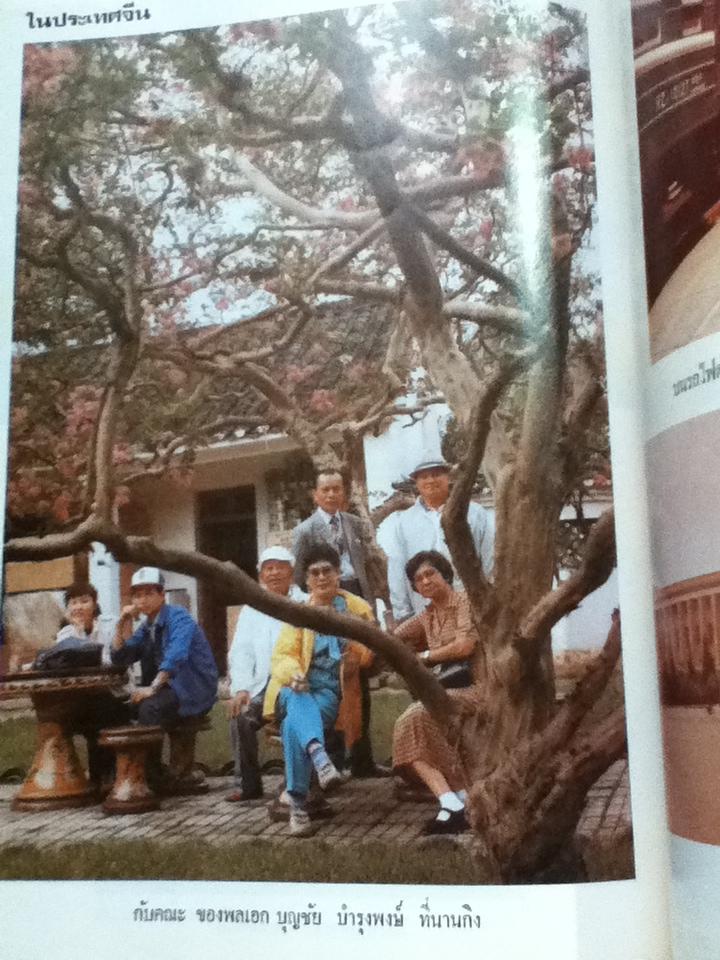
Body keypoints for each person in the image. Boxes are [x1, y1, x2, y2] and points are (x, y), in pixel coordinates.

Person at [264, 544, 374, 837]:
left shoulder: (356, 608)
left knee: (292, 726)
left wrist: (355, 654)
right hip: (293, 686)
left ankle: (299, 800)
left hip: (329, 692)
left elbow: (370, 648)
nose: (322, 577)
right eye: (315, 573)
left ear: (339, 574)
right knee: (296, 697)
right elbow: (282, 655)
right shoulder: (299, 612)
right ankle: (318, 757)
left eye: (328, 570)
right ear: (307, 580)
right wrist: (294, 674)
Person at [293, 471, 388, 779]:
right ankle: (332, 758)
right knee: (330, 678)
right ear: (316, 495)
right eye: (326, 489)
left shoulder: (356, 524)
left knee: (359, 681)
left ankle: (363, 759)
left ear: (344, 493)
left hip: (355, 602)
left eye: (337, 489)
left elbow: (369, 567)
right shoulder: (305, 530)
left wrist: (376, 604)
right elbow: (299, 574)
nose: (332, 494)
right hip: (323, 604)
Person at [392, 550, 485, 835]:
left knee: (413, 718)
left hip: (478, 689)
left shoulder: (465, 602)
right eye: (418, 579)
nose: (425, 580)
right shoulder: (427, 616)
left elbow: (464, 647)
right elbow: (394, 637)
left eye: (430, 573)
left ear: (445, 574)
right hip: (446, 692)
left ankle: (453, 800)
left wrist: (426, 656)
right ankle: (454, 799)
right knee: (412, 723)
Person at [226, 546, 307, 803]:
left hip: (295, 686)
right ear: (260, 574)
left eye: (279, 567)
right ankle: (248, 784)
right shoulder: (252, 609)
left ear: (291, 572)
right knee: (241, 715)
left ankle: (298, 782)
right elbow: (241, 652)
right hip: (262, 687)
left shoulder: (305, 604)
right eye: (268, 568)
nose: (273, 573)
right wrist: (241, 688)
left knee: (294, 718)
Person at [384, 457, 495, 621]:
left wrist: (484, 598)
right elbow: (397, 568)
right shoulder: (404, 522)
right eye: (424, 477)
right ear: (416, 482)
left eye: (436, 474)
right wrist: (403, 612)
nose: (430, 480)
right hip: (425, 608)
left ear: (448, 477)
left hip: (470, 603)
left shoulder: (474, 513)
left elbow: (489, 557)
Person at [111, 567, 218, 731]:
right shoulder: (147, 626)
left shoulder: (179, 617)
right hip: (167, 690)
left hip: (192, 690)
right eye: (138, 595)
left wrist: (152, 689)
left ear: (162, 595)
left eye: (149, 593)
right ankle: (136, 757)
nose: (142, 600)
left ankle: (152, 758)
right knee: (119, 709)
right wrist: (122, 622)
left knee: (149, 709)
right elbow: (121, 657)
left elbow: (176, 655)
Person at [56, 582, 127, 788]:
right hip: (85, 696)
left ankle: (102, 778)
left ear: (94, 604)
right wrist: (76, 633)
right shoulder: (65, 634)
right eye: (73, 602)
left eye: (84, 601)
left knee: (100, 712)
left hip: (116, 694)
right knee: (69, 714)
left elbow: (109, 663)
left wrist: (81, 641)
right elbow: (63, 666)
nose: (78, 607)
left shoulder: (111, 624)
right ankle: (94, 779)